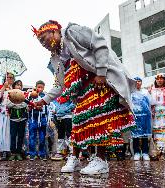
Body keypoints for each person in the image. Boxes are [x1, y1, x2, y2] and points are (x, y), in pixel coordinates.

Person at [32, 20, 136, 175]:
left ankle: (101, 160)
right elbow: (60, 85)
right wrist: (43, 100)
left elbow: (99, 43)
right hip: (81, 93)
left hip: (98, 83)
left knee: (100, 119)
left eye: (44, 38)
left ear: (55, 31)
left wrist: (101, 73)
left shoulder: (72, 32)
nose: (43, 44)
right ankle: (74, 158)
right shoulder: (55, 58)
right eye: (40, 42)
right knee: (78, 125)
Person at [0, 72, 15, 160]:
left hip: (9, 115)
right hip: (0, 114)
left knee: (8, 133)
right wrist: (4, 87)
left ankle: (8, 152)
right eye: (8, 77)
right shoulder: (0, 88)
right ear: (5, 78)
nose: (10, 79)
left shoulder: (14, 89)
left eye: (12, 78)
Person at [131, 77, 152, 161]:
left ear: (141, 83)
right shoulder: (131, 92)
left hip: (145, 116)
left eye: (139, 81)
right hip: (134, 116)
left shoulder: (145, 92)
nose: (137, 83)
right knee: (135, 135)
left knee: (145, 135)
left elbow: (151, 102)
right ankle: (136, 152)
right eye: (136, 81)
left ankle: (145, 153)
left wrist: (150, 93)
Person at [27, 80, 49, 161]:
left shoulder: (46, 96)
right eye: (38, 87)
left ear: (43, 88)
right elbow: (28, 107)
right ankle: (32, 154)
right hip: (33, 118)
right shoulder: (31, 95)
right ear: (36, 87)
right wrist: (32, 107)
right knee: (32, 136)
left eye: (41, 87)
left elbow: (48, 108)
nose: (40, 89)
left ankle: (41, 153)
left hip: (42, 118)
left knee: (42, 137)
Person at [7, 80, 28, 161]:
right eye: (17, 85)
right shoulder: (10, 94)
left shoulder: (24, 94)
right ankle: (13, 153)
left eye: (20, 85)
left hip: (22, 119)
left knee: (20, 136)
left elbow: (25, 104)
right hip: (13, 119)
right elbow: (8, 105)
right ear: (14, 86)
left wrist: (16, 103)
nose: (19, 86)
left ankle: (18, 153)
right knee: (13, 136)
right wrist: (17, 103)